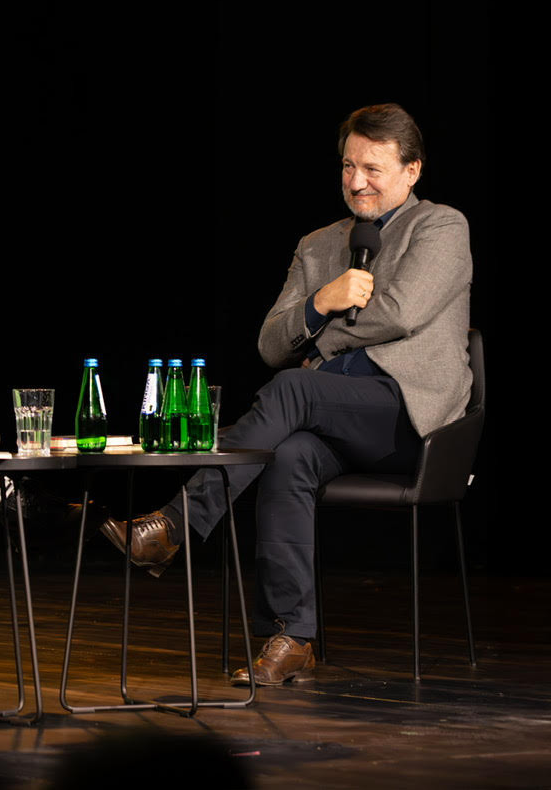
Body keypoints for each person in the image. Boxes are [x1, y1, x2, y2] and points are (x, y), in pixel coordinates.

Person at [100, 103, 472, 685]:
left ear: (413, 170)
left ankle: (174, 524)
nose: (356, 182)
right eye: (348, 166)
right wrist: (320, 301)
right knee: (288, 456)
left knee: (296, 385)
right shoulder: (317, 244)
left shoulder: (442, 226)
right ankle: (293, 635)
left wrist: (322, 335)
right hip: (333, 413)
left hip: (409, 419)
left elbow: (401, 314)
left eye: (373, 169)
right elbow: (272, 342)